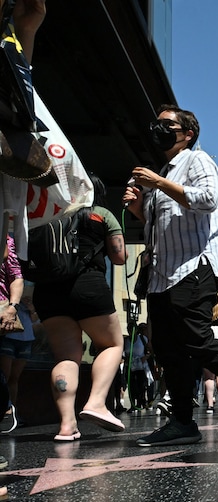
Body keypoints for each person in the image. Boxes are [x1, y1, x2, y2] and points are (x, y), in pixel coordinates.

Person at [123, 104, 218, 446]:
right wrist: (137, 206)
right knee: (166, 349)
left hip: (193, 267)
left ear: (187, 133)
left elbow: (206, 199)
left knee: (197, 338)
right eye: (156, 124)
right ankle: (181, 422)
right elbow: (158, 225)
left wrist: (157, 182)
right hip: (163, 275)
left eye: (167, 125)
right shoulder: (164, 173)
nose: (158, 129)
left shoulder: (196, 161)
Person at [32, 179, 127, 441]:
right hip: (88, 286)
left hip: (48, 289)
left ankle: (66, 425)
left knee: (65, 356)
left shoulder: (49, 211)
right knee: (111, 345)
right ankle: (96, 403)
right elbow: (119, 257)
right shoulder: (100, 213)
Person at [0, 236, 28, 433]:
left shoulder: (7, 241)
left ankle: (6, 408)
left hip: (1, 311)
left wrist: (12, 307)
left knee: (7, 375)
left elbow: (16, 275)